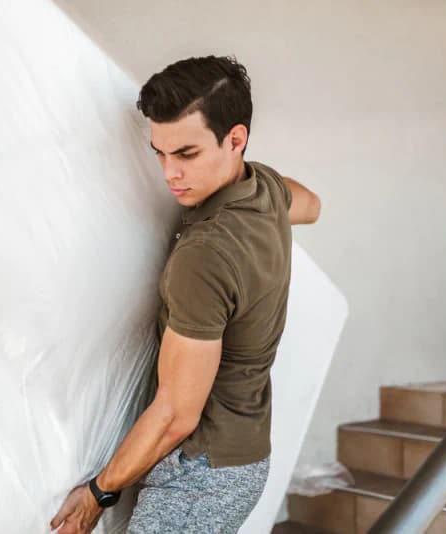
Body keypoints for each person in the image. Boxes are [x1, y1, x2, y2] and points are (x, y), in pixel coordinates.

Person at [50, 55, 321, 534]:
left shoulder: (205, 256)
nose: (169, 173)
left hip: (198, 475)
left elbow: (177, 412)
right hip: (245, 457)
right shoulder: (263, 188)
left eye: (187, 155)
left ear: (235, 140)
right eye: (160, 152)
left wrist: (97, 494)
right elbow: (313, 206)